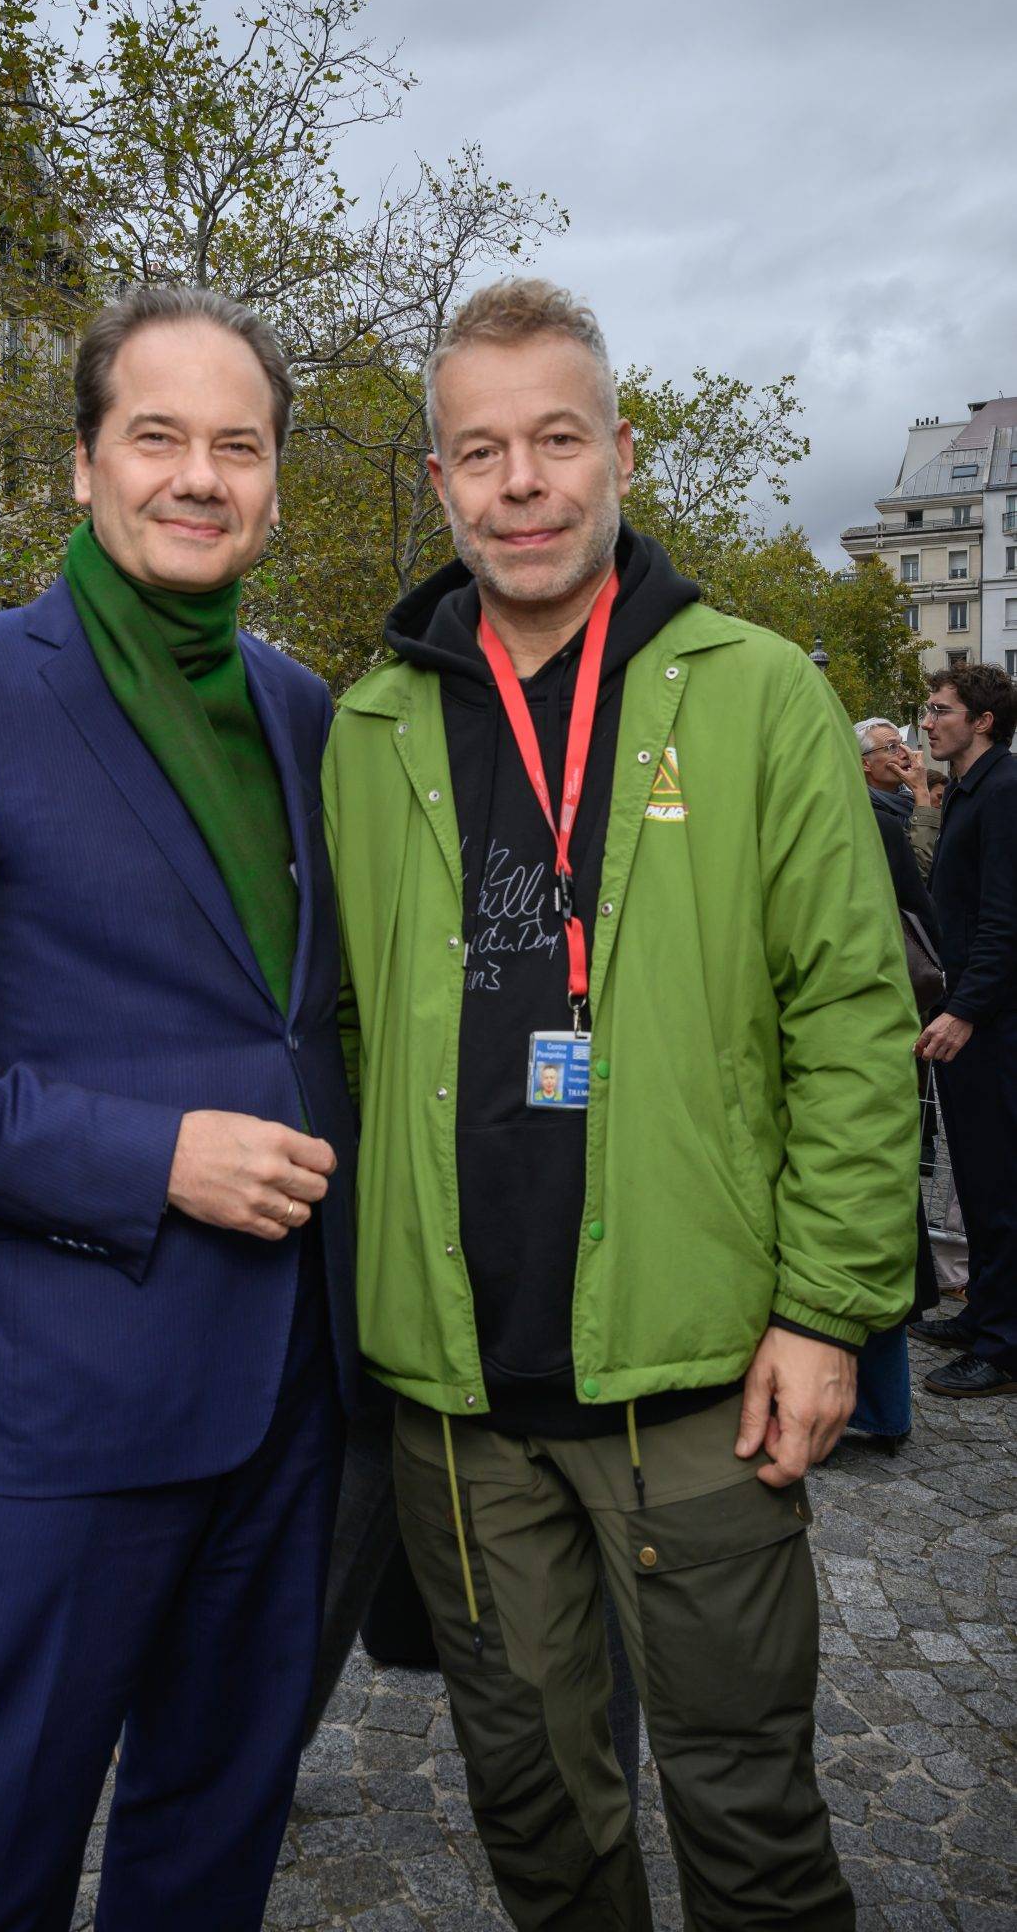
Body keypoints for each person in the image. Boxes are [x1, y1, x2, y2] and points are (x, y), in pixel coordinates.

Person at [322, 278, 919, 1930]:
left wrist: (826, 1309)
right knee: (539, 1811)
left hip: (698, 1375)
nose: (520, 480)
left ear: (619, 455)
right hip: (456, 1398)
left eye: (555, 439)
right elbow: (353, 1034)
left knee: (748, 1813)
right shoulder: (369, 723)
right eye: (480, 449)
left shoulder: (754, 694)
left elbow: (855, 1021)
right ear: (439, 478)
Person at [0, 285, 358, 1932]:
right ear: (84, 464)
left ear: (272, 479)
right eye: (158, 435)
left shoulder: (302, 707)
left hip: (289, 1390)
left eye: (235, 443)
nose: (199, 475)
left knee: (213, 1836)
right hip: (65, 1398)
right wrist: (150, 1156)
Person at [910, 663, 1017, 1398]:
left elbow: (1004, 919)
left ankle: (1003, 1346)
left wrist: (965, 1009)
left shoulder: (1004, 791)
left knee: (999, 1181)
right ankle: (984, 1311)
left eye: (939, 709)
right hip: (977, 1017)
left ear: (980, 720)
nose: (926, 722)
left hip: (993, 1024)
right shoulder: (972, 791)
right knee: (976, 1178)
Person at [851, 717, 944, 1444]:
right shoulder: (869, 816)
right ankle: (878, 1406)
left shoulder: (871, 821)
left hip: (867, 1025)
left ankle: (878, 1407)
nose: (904, 754)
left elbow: (919, 909)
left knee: (866, 1188)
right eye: (890, 748)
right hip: (870, 1023)